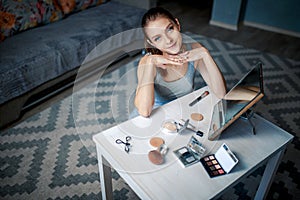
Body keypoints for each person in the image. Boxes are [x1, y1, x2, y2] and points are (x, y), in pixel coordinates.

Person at [134, 7, 227, 117]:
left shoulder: (194, 49)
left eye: (170, 29)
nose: (168, 40)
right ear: (152, 43)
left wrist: (205, 54)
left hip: (185, 110)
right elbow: (144, 111)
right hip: (155, 117)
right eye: (157, 38)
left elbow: (221, 93)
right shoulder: (147, 62)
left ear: (177, 24)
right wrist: (151, 61)